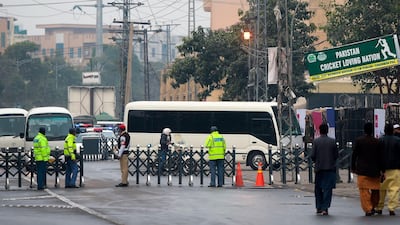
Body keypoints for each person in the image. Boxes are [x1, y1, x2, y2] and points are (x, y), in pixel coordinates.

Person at [351, 122, 383, 216]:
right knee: (376, 190)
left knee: (363, 190)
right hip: (375, 170)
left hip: (362, 170)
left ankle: (368, 208)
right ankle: (374, 205)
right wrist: (383, 170)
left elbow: (354, 155)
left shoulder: (359, 141)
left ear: (364, 130)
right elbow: (381, 157)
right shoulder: (377, 142)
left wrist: (353, 167)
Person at [311, 123, 338, 216]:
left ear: (319, 130)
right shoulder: (332, 141)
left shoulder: (316, 141)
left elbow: (312, 155)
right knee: (327, 189)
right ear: (327, 131)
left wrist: (317, 161)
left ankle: (319, 206)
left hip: (319, 168)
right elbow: (336, 155)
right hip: (330, 168)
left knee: (318, 188)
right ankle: (325, 208)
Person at [376, 123, 400, 216]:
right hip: (395, 168)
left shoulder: (380, 140)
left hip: (382, 170)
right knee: (394, 189)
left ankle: (379, 206)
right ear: (393, 131)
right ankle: (391, 207)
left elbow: (377, 155)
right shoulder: (398, 140)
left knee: (381, 189)